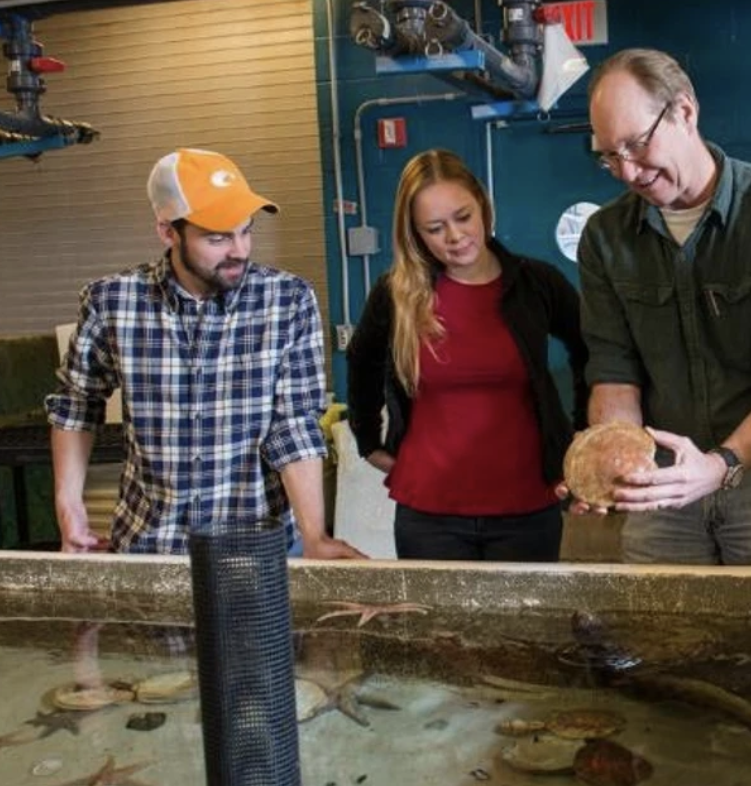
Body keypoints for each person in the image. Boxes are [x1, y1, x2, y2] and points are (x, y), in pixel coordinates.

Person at [575, 46, 751, 569]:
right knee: (665, 639)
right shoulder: (604, 238)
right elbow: (614, 373)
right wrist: (613, 459)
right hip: (662, 479)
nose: (628, 171)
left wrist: (720, 464)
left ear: (685, 111)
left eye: (636, 145)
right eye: (609, 156)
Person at [46, 147, 360, 560]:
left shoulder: (287, 301)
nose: (240, 250)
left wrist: (315, 535)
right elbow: (76, 404)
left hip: (256, 549)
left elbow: (294, 426)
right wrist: (70, 510)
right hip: (150, 546)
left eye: (245, 231)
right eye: (217, 237)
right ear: (167, 232)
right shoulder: (114, 303)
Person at [345, 148, 588, 561]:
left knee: (523, 626)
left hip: (527, 504)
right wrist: (368, 441)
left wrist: (584, 437)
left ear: (483, 206)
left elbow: (593, 351)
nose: (455, 237)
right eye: (435, 228)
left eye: (463, 217)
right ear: (415, 233)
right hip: (429, 514)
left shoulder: (536, 283)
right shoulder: (396, 294)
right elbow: (361, 362)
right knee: (437, 627)